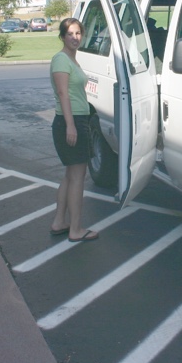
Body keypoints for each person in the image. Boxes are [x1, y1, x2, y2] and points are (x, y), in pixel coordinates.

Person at [49, 18, 99, 243]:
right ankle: (76, 229)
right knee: (78, 177)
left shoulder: (71, 60)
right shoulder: (61, 59)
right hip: (71, 122)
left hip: (78, 120)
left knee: (70, 176)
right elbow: (63, 94)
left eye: (78, 33)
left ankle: (60, 221)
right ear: (62, 36)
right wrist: (71, 125)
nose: (75, 37)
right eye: (70, 33)